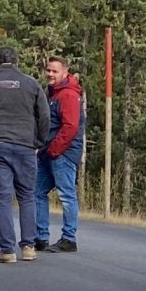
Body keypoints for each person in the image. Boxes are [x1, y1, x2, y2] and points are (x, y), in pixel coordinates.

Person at [0, 43, 50, 264]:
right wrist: (38, 142)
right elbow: (44, 116)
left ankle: (7, 250)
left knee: (3, 197)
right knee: (27, 195)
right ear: (16, 62)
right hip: (25, 145)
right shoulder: (31, 84)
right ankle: (29, 247)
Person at [33, 54, 86, 253]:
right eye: (48, 70)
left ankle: (69, 238)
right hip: (48, 152)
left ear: (65, 72)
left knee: (66, 195)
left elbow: (70, 127)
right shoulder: (52, 93)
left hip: (63, 153)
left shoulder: (68, 95)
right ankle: (40, 237)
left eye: (54, 71)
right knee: (37, 191)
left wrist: (55, 150)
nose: (50, 74)